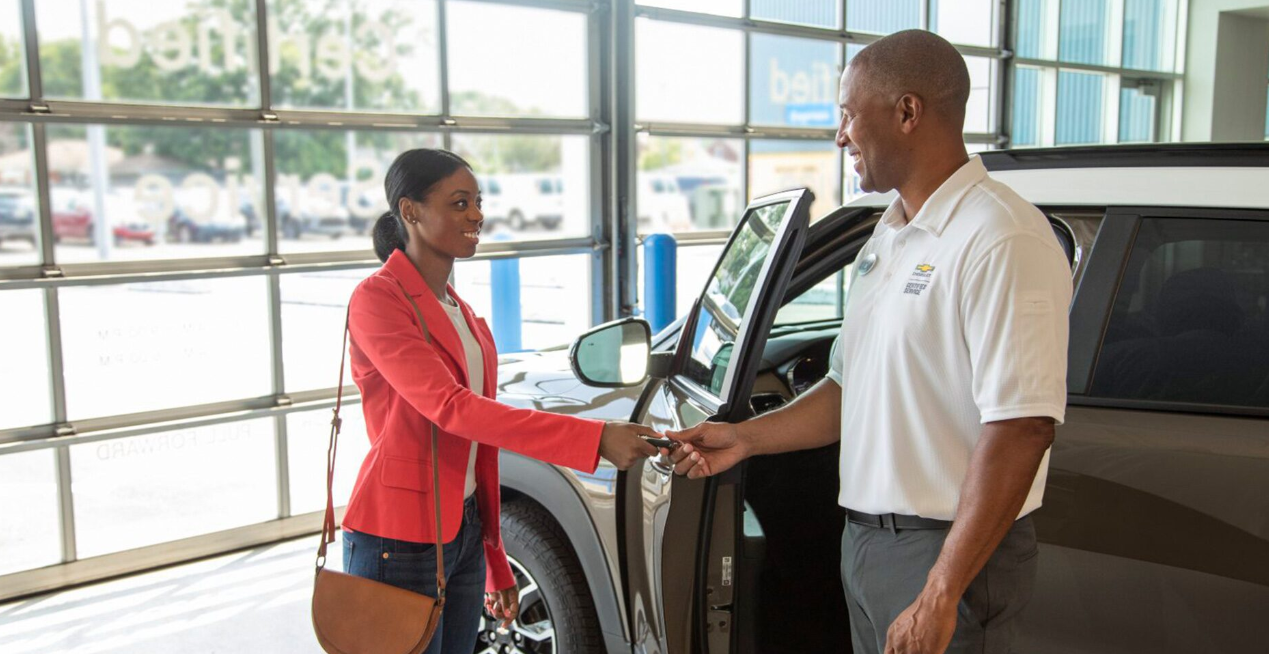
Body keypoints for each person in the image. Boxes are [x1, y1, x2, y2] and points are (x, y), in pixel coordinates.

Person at [666, 30, 1073, 654]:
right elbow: (845, 387)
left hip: (946, 555)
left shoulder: (1001, 237)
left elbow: (1022, 427)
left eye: (848, 115)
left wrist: (939, 593)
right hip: (867, 545)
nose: (840, 136)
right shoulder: (888, 236)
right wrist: (745, 438)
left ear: (907, 112)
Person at [343, 148, 661, 654]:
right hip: (398, 541)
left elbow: (479, 450)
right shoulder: (377, 299)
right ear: (410, 212)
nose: (476, 216)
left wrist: (493, 560)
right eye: (459, 203)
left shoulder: (459, 310)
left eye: (477, 202)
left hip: (463, 530)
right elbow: (454, 409)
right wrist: (594, 437)